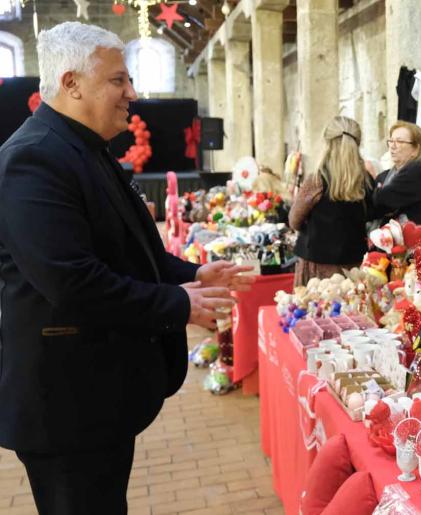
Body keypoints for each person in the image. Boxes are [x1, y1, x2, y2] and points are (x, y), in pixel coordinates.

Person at [0, 22, 254, 514]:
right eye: (118, 80)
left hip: (94, 398)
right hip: (65, 406)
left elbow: (128, 250)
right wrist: (178, 303)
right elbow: (72, 282)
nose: (132, 93)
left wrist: (192, 275)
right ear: (71, 83)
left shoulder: (81, 148)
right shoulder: (33, 159)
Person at [289, 116, 373, 286]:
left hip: (316, 265)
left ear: (327, 144)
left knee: (316, 310)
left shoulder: (317, 181)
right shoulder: (366, 181)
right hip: (353, 266)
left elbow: (294, 220)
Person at [373, 121, 421, 225]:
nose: (392, 146)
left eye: (399, 142)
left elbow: (383, 200)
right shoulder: (383, 176)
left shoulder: (417, 172)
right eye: (391, 141)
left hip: (408, 239)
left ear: (415, 149)